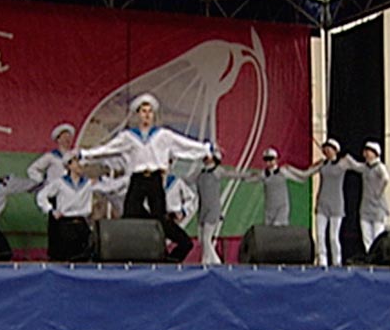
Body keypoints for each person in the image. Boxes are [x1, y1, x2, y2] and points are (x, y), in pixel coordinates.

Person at [79, 93, 211, 261]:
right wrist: (86, 154)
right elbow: (108, 149)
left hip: (155, 178)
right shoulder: (129, 136)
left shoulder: (163, 135)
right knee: (130, 214)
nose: (147, 115)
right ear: (138, 115)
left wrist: (205, 149)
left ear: (153, 115)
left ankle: (166, 253)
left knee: (160, 217)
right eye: (143, 111)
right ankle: (126, 252)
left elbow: (184, 145)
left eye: (149, 111)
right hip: (137, 178)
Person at [36, 152, 125, 261]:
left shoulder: (88, 183)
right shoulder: (60, 183)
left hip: (82, 224)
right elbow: (41, 195)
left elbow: (111, 187)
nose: (79, 165)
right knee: (64, 258)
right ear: (69, 166)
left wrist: (116, 178)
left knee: (82, 258)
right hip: (65, 225)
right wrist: (50, 210)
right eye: (76, 162)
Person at [186, 148, 254, 265]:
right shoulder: (200, 172)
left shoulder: (217, 171)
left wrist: (247, 175)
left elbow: (232, 174)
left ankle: (206, 262)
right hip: (202, 209)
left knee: (207, 238)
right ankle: (216, 262)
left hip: (213, 209)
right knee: (202, 240)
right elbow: (188, 180)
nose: (205, 158)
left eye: (208, 156)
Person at [302, 138, 358, 266]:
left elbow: (358, 167)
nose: (327, 150)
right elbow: (306, 174)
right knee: (320, 235)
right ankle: (322, 261)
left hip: (336, 205)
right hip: (322, 203)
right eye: (326, 148)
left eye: (330, 148)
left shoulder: (342, 164)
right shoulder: (322, 165)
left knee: (333, 237)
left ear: (335, 150)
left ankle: (336, 261)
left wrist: (350, 160)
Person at [245, 147, 309, 227]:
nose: (268, 162)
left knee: (278, 228)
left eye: (271, 159)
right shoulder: (264, 174)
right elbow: (250, 179)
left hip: (281, 208)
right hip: (269, 210)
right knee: (269, 230)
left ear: (276, 159)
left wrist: (292, 169)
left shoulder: (282, 172)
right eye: (266, 160)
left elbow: (301, 179)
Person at [350, 141, 390, 252]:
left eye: (369, 151)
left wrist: (378, 191)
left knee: (378, 237)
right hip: (365, 208)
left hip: (378, 208)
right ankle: (370, 256)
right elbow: (355, 166)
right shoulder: (365, 168)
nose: (366, 153)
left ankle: (378, 257)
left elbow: (386, 178)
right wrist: (348, 159)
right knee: (366, 238)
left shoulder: (379, 167)